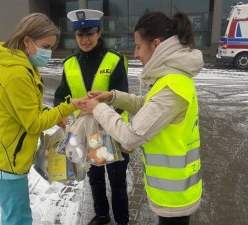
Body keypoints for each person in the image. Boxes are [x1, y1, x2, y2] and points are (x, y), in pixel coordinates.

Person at [79, 11, 204, 225]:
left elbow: (130, 135)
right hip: (172, 188)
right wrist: (113, 97)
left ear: (155, 45)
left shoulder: (172, 87)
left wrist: (97, 108)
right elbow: (147, 106)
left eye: (138, 46)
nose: (135, 54)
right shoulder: (171, 78)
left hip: (175, 195)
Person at [0, 13, 83, 225]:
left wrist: (52, 114)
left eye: (51, 47)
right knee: (19, 220)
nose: (48, 53)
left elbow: (25, 108)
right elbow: (33, 123)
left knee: (15, 217)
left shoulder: (21, 67)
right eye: (46, 46)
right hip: (4, 164)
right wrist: (68, 107)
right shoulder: (17, 74)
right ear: (27, 41)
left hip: (0, 159)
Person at [53, 9, 130, 225]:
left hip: (111, 130)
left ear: (99, 33)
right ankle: (102, 215)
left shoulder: (114, 60)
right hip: (85, 133)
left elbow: (122, 97)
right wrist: (59, 112)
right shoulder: (69, 63)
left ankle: (122, 221)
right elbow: (61, 95)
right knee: (94, 179)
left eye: (89, 34)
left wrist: (104, 117)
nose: (85, 40)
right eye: (80, 35)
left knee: (117, 181)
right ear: (75, 36)